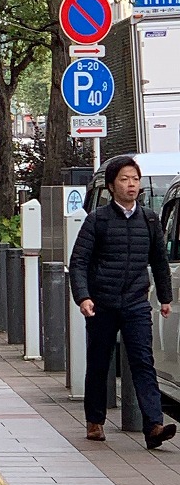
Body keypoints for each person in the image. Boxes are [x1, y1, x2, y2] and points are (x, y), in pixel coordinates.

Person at [69, 154, 176, 449]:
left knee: (143, 361)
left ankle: (153, 425)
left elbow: (159, 261)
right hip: (101, 302)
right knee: (99, 362)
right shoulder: (97, 219)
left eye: (135, 179)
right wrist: (84, 296)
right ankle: (95, 421)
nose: (131, 185)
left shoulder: (149, 218)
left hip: (136, 301)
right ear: (112, 185)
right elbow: (78, 262)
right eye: (125, 179)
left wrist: (165, 298)